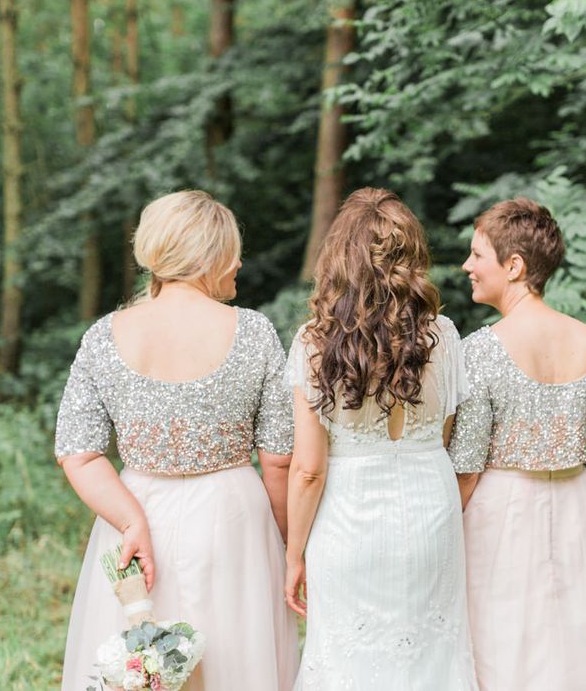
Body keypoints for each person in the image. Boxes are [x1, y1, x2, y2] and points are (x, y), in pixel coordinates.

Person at [55, 190, 299, 690]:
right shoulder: (254, 332)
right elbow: (277, 460)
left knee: (138, 662)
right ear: (208, 257)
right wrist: (289, 543)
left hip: (137, 515)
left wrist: (131, 520)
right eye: (232, 251)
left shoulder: (105, 334)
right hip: (234, 521)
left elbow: (79, 454)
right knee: (237, 658)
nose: (239, 264)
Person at [448, 197, 586, 691]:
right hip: (577, 510)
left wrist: (442, 540)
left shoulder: (481, 350)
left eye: (477, 255)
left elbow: (467, 471)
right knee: (576, 643)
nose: (467, 266)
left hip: (501, 518)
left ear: (513, 266)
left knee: (506, 645)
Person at [284, 187, 478, 691]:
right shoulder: (447, 337)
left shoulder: (314, 341)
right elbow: (444, 434)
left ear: (339, 259)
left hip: (349, 520)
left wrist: (293, 554)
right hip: (431, 513)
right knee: (431, 654)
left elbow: (308, 469)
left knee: (349, 659)